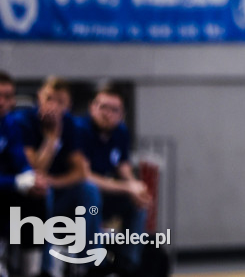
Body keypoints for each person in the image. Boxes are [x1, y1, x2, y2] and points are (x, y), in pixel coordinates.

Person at [11, 76, 100, 269]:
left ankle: (90, 265)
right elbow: (34, 170)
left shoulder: (71, 124)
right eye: (49, 99)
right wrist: (51, 139)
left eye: (60, 102)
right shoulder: (22, 121)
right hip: (25, 195)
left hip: (58, 190)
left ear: (68, 106)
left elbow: (81, 172)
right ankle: (46, 268)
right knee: (43, 191)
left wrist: (53, 181)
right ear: (39, 98)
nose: (53, 106)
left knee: (89, 190)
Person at [78, 85, 150, 274]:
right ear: (92, 107)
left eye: (114, 109)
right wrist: (126, 187)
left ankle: (127, 264)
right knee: (90, 192)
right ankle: (94, 265)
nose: (107, 114)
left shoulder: (121, 132)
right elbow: (84, 175)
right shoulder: (80, 130)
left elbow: (122, 165)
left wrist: (135, 186)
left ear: (122, 114)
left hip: (106, 194)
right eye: (103, 107)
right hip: (79, 197)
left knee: (138, 202)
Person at [0, 71, 49, 276]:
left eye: (8, 96)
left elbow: (20, 160)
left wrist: (32, 179)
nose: (2, 102)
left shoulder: (10, 124)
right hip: (5, 185)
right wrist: (16, 182)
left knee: (35, 197)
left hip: (5, 190)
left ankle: (32, 270)